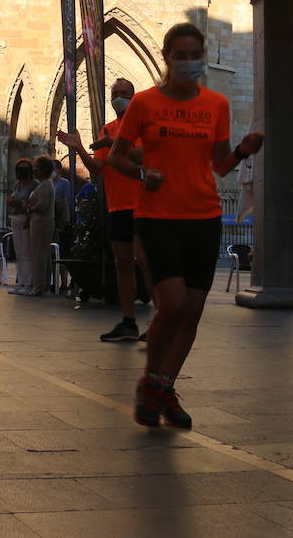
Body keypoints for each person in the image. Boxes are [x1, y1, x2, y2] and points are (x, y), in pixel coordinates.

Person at [109, 22, 263, 427]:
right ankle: (152, 384)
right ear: (167, 58)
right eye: (182, 55)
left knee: (192, 312)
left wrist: (244, 150)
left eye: (197, 55)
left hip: (204, 217)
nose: (190, 62)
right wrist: (144, 176)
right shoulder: (143, 104)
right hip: (158, 217)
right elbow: (117, 158)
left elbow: (221, 166)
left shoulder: (216, 105)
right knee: (172, 305)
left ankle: (162, 387)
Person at [59, 77, 146, 341]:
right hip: (117, 204)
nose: (119, 97)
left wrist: (113, 145)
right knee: (122, 263)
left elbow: (143, 158)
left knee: (146, 262)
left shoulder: (143, 125)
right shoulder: (107, 129)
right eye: (115, 93)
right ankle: (128, 322)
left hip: (143, 205)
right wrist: (78, 148)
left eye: (124, 93)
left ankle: (161, 321)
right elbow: (97, 169)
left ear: (134, 95)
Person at [23, 156, 57, 297]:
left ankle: (38, 286)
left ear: (43, 169)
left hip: (40, 223)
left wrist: (30, 208)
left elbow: (42, 206)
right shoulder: (45, 184)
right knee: (43, 254)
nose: (34, 169)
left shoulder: (45, 186)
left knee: (38, 255)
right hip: (41, 223)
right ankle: (42, 284)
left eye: (37, 166)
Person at [7, 159, 36, 294]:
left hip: (26, 220)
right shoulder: (17, 185)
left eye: (25, 169)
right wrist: (11, 201)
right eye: (20, 169)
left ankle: (29, 283)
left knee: (27, 252)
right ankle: (21, 282)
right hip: (15, 218)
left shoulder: (34, 185)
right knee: (19, 253)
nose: (22, 172)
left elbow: (33, 202)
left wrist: (18, 201)